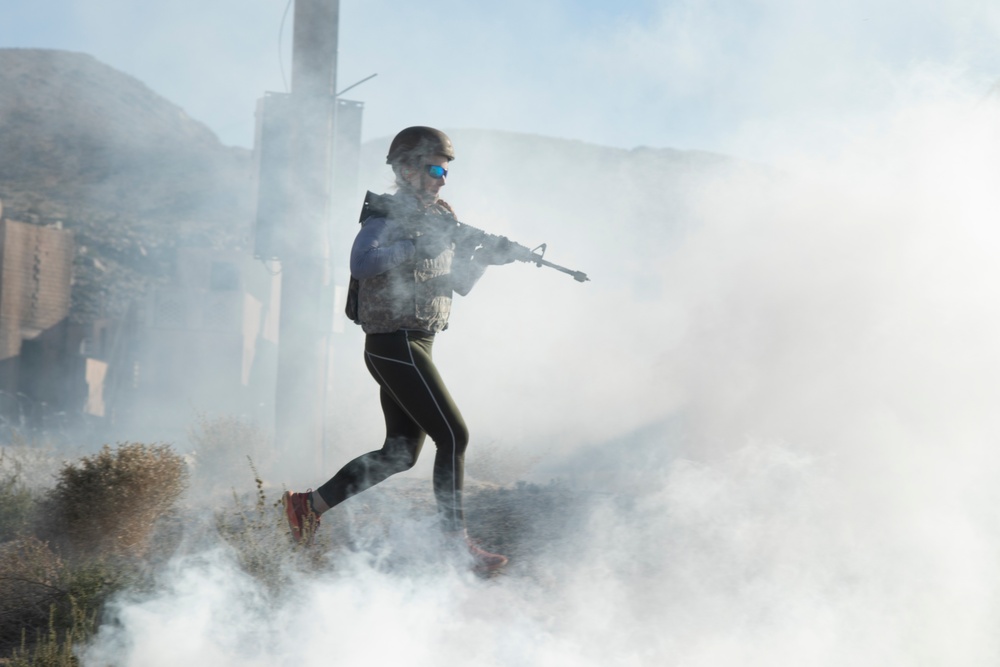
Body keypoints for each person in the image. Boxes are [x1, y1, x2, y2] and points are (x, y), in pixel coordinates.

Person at [282, 126, 511, 574]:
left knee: (401, 453)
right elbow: (361, 263)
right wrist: (413, 245)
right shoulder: (385, 216)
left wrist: (486, 257)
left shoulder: (442, 219)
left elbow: (456, 284)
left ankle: (308, 507)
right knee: (454, 435)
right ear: (407, 169)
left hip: (416, 342)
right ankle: (454, 546)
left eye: (445, 170)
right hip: (393, 342)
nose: (443, 178)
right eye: (435, 168)